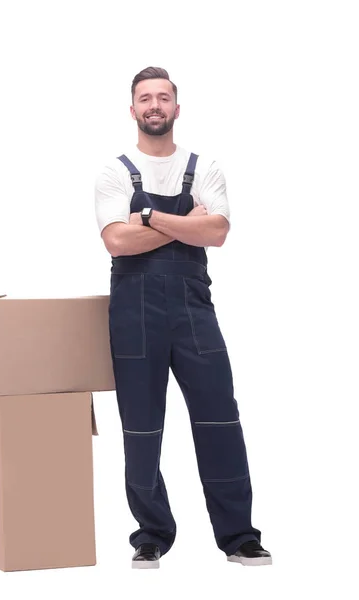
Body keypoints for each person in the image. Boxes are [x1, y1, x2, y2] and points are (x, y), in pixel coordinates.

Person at [94, 66, 272, 569]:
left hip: (194, 311)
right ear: (133, 110)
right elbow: (116, 241)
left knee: (220, 419)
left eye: (163, 97)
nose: (155, 105)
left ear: (177, 107)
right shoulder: (114, 172)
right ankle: (150, 534)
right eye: (145, 98)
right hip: (134, 314)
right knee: (142, 428)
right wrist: (184, 224)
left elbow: (216, 233)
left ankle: (239, 536)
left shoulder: (206, 166)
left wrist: (148, 218)